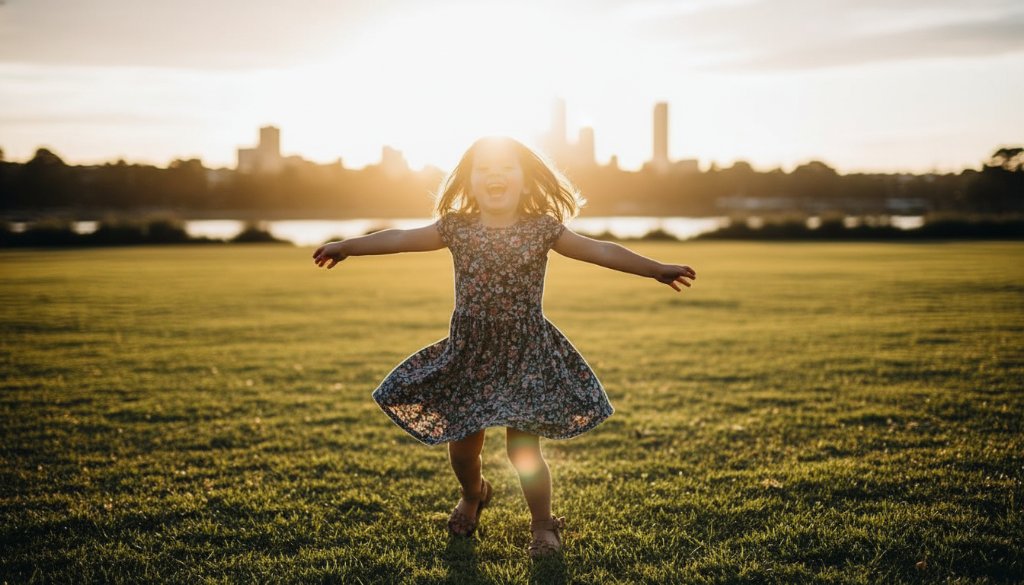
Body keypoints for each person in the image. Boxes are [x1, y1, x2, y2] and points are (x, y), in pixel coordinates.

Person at [312, 136, 696, 558]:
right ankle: (474, 493)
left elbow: (597, 249)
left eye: (506, 168)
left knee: (523, 448)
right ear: (469, 180)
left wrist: (655, 269)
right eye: (484, 169)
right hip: (470, 353)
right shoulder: (455, 227)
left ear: (524, 178)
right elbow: (400, 238)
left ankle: (543, 526)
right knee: (462, 448)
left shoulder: (542, 227)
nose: (495, 176)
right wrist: (347, 246)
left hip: (525, 352)